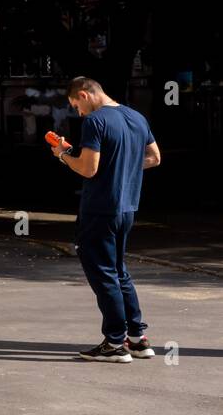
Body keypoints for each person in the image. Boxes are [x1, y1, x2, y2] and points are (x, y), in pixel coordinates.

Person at [52, 77, 161, 362]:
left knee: (103, 274)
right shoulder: (136, 117)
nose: (79, 113)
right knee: (119, 271)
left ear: (85, 95)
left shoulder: (96, 121)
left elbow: (88, 169)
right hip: (127, 208)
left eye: (77, 106)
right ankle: (137, 338)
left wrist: (64, 154)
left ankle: (114, 343)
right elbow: (154, 158)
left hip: (100, 209)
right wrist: (122, 165)